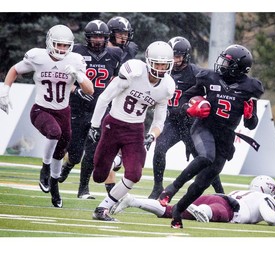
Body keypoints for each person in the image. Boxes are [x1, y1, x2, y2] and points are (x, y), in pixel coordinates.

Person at [157, 44, 264, 228]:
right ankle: (171, 188)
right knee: (206, 156)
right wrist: (187, 108)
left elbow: (250, 124)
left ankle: (178, 211)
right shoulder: (209, 78)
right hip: (204, 127)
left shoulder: (249, 87)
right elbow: (185, 97)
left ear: (238, 67)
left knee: (203, 181)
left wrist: (250, 115)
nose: (221, 64)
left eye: (227, 62)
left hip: (226, 137)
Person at [0, 24, 94, 207]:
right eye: (59, 44)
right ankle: (45, 168)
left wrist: (78, 76)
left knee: (61, 152)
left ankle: (54, 186)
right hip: (40, 109)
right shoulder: (38, 56)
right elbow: (14, 70)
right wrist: (5, 91)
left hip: (63, 111)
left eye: (66, 46)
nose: (62, 49)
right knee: (54, 133)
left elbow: (90, 90)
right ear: (50, 43)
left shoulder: (75, 60)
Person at [89, 41, 175, 221]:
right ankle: (116, 161)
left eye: (164, 64)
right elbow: (105, 98)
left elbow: (160, 120)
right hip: (113, 125)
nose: (160, 68)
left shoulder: (166, 86)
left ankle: (102, 208)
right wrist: (94, 125)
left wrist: (152, 135)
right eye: (157, 63)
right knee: (98, 176)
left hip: (135, 130)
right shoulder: (134, 72)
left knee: (134, 174)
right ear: (149, 61)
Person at [148, 36, 224, 199]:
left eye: (178, 56)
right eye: (172, 56)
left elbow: (211, 92)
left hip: (192, 124)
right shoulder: (159, 71)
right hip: (172, 122)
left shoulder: (196, 73)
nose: (174, 60)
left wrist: (202, 107)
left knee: (203, 159)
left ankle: (220, 193)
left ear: (186, 56)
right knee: (159, 149)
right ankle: (157, 187)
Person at [58, 20, 123, 199]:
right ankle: (68, 166)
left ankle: (83, 189)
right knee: (76, 152)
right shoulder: (76, 52)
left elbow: (119, 81)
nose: (98, 40)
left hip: (100, 110)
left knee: (93, 151)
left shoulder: (115, 54)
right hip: (78, 109)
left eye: (101, 36)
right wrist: (77, 90)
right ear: (87, 37)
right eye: (94, 36)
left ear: (106, 37)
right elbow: (63, 79)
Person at [110, 175, 275, 226]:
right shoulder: (265, 197)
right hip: (228, 207)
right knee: (219, 213)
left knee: (171, 210)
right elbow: (271, 218)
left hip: (216, 197)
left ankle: (132, 201)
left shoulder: (242, 191)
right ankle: (201, 210)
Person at [104, 16, 139, 194]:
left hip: (123, 98)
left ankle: (116, 163)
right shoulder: (104, 50)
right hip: (105, 96)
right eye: (119, 33)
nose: (123, 37)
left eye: (125, 34)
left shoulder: (131, 50)